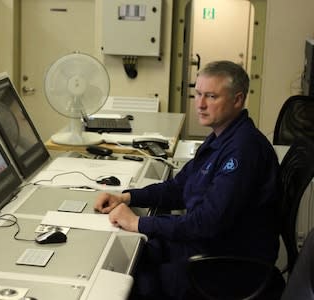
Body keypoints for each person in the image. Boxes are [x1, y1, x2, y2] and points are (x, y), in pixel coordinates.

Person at [94, 60, 280, 299]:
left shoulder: (244, 150)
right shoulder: (219, 137)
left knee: (134, 283)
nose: (201, 105)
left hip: (228, 265)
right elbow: (179, 187)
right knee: (131, 258)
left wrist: (138, 224)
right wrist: (127, 196)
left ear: (237, 100)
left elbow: (206, 223)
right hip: (206, 247)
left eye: (211, 97)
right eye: (198, 94)